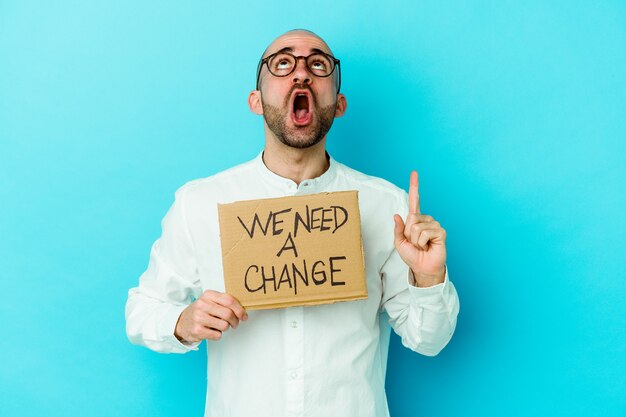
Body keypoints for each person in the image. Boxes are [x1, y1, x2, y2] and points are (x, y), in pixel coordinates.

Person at [125, 29, 460, 417]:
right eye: (283, 63)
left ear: (338, 104)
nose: (301, 74)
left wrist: (429, 280)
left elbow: (429, 340)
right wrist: (183, 321)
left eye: (317, 65)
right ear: (255, 100)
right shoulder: (198, 203)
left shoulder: (387, 205)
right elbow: (141, 310)